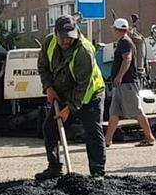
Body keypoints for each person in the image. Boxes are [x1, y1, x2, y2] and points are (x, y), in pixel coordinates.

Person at [35, 15, 107, 180]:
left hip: (90, 94)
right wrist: (49, 88)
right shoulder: (49, 42)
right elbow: (43, 66)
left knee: (92, 131)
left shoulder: (84, 50)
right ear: (55, 34)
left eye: (71, 37)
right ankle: (54, 168)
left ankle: (97, 172)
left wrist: (70, 109)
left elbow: (83, 85)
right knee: (50, 128)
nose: (67, 41)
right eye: (64, 37)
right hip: (63, 92)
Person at [104, 18, 156, 148]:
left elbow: (127, 59)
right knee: (114, 112)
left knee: (137, 111)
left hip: (126, 83)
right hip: (122, 84)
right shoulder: (124, 41)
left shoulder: (125, 42)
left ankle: (150, 138)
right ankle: (107, 141)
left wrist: (119, 76)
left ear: (116, 30)